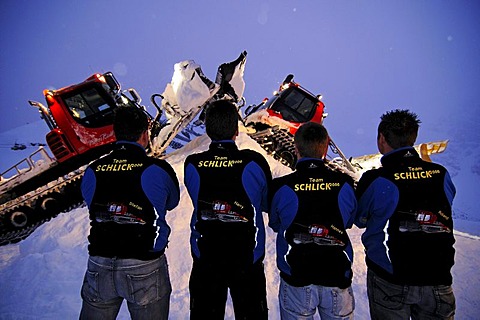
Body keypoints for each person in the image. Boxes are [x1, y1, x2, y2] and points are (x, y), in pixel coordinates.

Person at [79, 106, 180, 320]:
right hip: (144, 266)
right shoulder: (158, 169)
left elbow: (92, 204)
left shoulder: (93, 170)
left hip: (100, 263)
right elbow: (171, 202)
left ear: (116, 133)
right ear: (144, 135)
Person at [355, 109, 456, 319]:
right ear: (413, 138)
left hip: (390, 277)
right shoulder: (441, 174)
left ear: (382, 138)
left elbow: (359, 218)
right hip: (437, 277)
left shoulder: (376, 179)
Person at [184, 99, 272, 319]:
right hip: (247, 259)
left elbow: (195, 196)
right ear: (236, 130)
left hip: (206, 258)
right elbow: (266, 202)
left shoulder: (193, 164)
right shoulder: (254, 162)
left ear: (207, 129)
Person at [269, 122, 356, 320]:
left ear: (296, 147)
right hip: (336, 277)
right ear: (325, 148)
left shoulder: (281, 187)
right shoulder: (345, 184)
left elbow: (275, 224)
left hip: (297, 279)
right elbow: (349, 221)